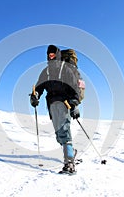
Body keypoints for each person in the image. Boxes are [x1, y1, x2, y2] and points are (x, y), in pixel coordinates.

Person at [30, 44, 81, 174]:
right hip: (51, 104)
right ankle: (71, 151)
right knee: (59, 134)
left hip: (65, 102)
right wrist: (35, 96)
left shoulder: (66, 69)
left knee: (64, 130)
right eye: (49, 55)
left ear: (58, 54)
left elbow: (75, 88)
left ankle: (69, 163)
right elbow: (39, 87)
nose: (50, 56)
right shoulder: (46, 71)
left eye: (53, 54)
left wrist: (74, 104)